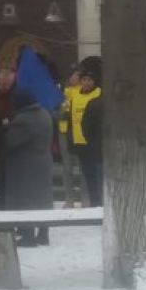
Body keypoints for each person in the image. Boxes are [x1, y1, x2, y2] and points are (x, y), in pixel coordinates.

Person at [5, 88, 54, 246]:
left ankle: (28, 235)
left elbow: (10, 142)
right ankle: (44, 233)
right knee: (43, 198)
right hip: (44, 161)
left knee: (26, 199)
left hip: (26, 166)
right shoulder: (45, 114)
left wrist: (5, 128)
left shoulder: (23, 119)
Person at [68, 59, 103, 206]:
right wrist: (71, 140)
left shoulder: (98, 94)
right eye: (84, 80)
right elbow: (71, 120)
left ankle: (99, 202)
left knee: (98, 175)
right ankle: (93, 202)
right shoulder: (75, 96)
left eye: (90, 80)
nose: (87, 83)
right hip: (80, 142)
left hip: (94, 143)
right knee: (88, 175)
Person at [0, 67, 17, 209]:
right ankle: (0, 211)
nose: (4, 87)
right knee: (0, 184)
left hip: (15, 147)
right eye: (1, 84)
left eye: (6, 84)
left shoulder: (17, 96)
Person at [57, 67, 83, 208]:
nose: (76, 78)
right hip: (64, 133)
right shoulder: (64, 93)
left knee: (82, 166)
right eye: (74, 75)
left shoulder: (85, 92)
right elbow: (59, 112)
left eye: (78, 75)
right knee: (67, 167)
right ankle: (69, 199)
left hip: (80, 132)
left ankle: (86, 198)